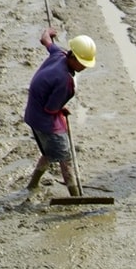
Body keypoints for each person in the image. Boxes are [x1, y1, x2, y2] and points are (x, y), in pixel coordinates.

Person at [23, 27, 96, 196]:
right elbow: (51, 108)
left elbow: (46, 41)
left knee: (49, 153)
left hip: (33, 113)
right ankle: (75, 194)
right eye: (82, 63)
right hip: (44, 119)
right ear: (73, 57)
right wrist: (60, 109)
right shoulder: (65, 81)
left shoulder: (59, 54)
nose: (84, 67)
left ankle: (33, 185)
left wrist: (48, 33)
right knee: (65, 157)